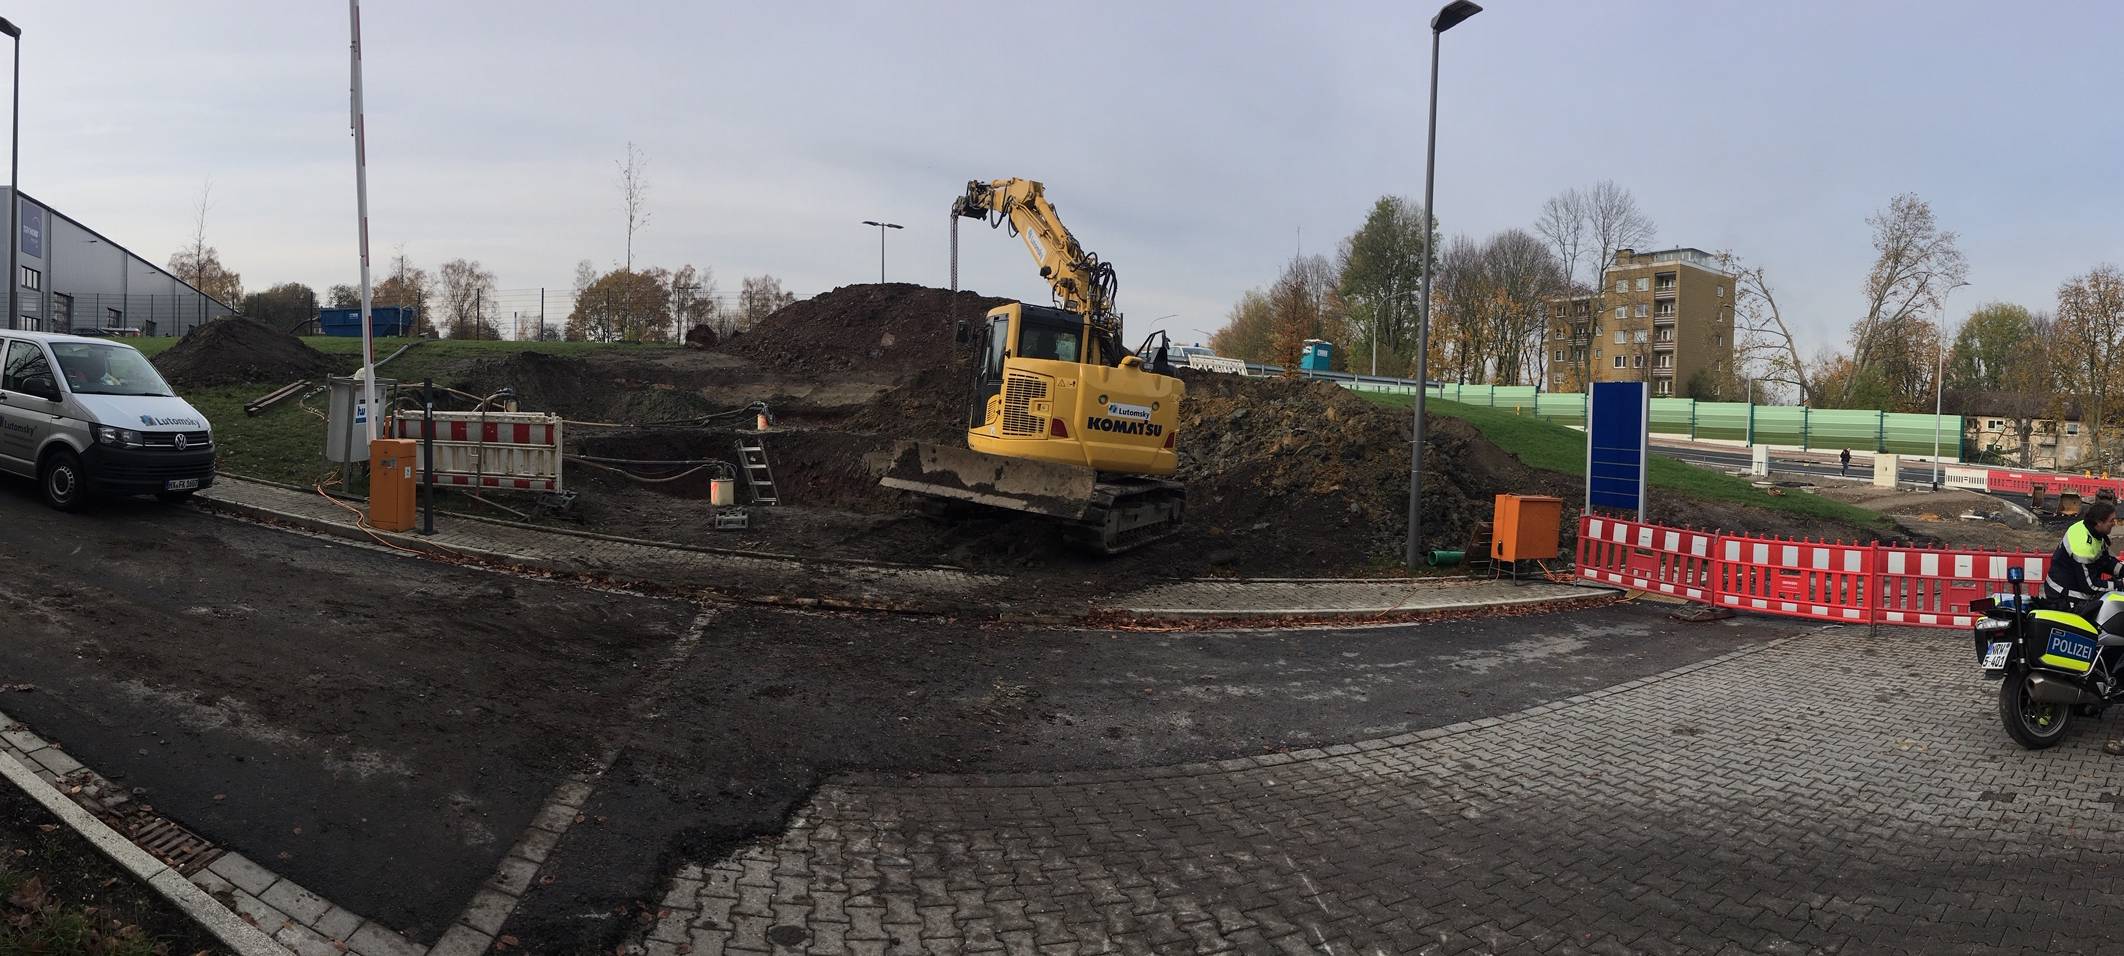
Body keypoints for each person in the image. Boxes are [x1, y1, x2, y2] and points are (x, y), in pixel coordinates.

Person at [2044, 501, 2122, 611]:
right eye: (2111, 521)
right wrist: (2119, 585)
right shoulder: (2083, 546)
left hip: (2074, 590)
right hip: (2064, 596)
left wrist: (2122, 570)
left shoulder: (2093, 530)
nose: (2114, 523)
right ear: (2099, 522)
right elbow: (2090, 585)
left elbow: (2104, 561)